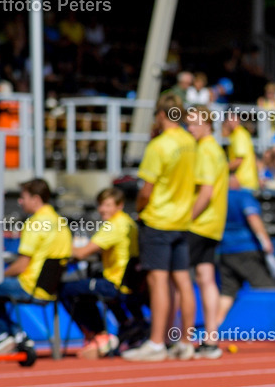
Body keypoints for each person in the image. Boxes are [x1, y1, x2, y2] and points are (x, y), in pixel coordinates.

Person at [123, 93, 198, 362]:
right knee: (183, 281)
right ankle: (186, 340)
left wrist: (140, 209)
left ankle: (157, 341)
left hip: (158, 220)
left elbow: (146, 189)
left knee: (158, 282)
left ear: (161, 115)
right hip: (182, 220)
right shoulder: (191, 142)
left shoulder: (159, 145)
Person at [0, 179, 72, 354]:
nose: (20, 202)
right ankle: (8, 335)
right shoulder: (61, 223)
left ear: (36, 199)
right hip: (50, 289)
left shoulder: (35, 223)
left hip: (29, 286)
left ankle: (12, 334)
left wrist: (1, 275)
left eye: (23, 197)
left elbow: (22, 266)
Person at [60, 187, 137, 358]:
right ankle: (119, 326)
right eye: (101, 205)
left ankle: (98, 335)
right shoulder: (127, 222)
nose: (102, 209)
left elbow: (81, 253)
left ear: (120, 205)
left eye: (108, 205)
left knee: (66, 289)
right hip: (127, 280)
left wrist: (57, 248)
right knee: (87, 284)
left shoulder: (114, 226)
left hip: (114, 283)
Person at [213, 179, 275, 356]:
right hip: (245, 249)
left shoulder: (217, 197)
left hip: (224, 250)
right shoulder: (243, 196)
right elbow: (253, 217)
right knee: (266, 287)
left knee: (227, 292)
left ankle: (211, 330)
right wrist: (265, 241)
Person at [186, 105, 229, 359]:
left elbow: (206, 192)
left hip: (199, 224)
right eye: (188, 123)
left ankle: (181, 337)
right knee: (206, 278)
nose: (190, 128)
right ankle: (210, 338)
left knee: (179, 278)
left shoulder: (205, 149)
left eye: (194, 123)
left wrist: (185, 217)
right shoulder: (216, 150)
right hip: (212, 224)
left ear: (207, 124)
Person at [223, 109, 259, 191]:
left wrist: (222, 168)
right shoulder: (241, 133)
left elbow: (239, 160)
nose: (230, 122)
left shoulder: (239, 135)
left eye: (232, 118)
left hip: (242, 183)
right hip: (246, 182)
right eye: (229, 118)